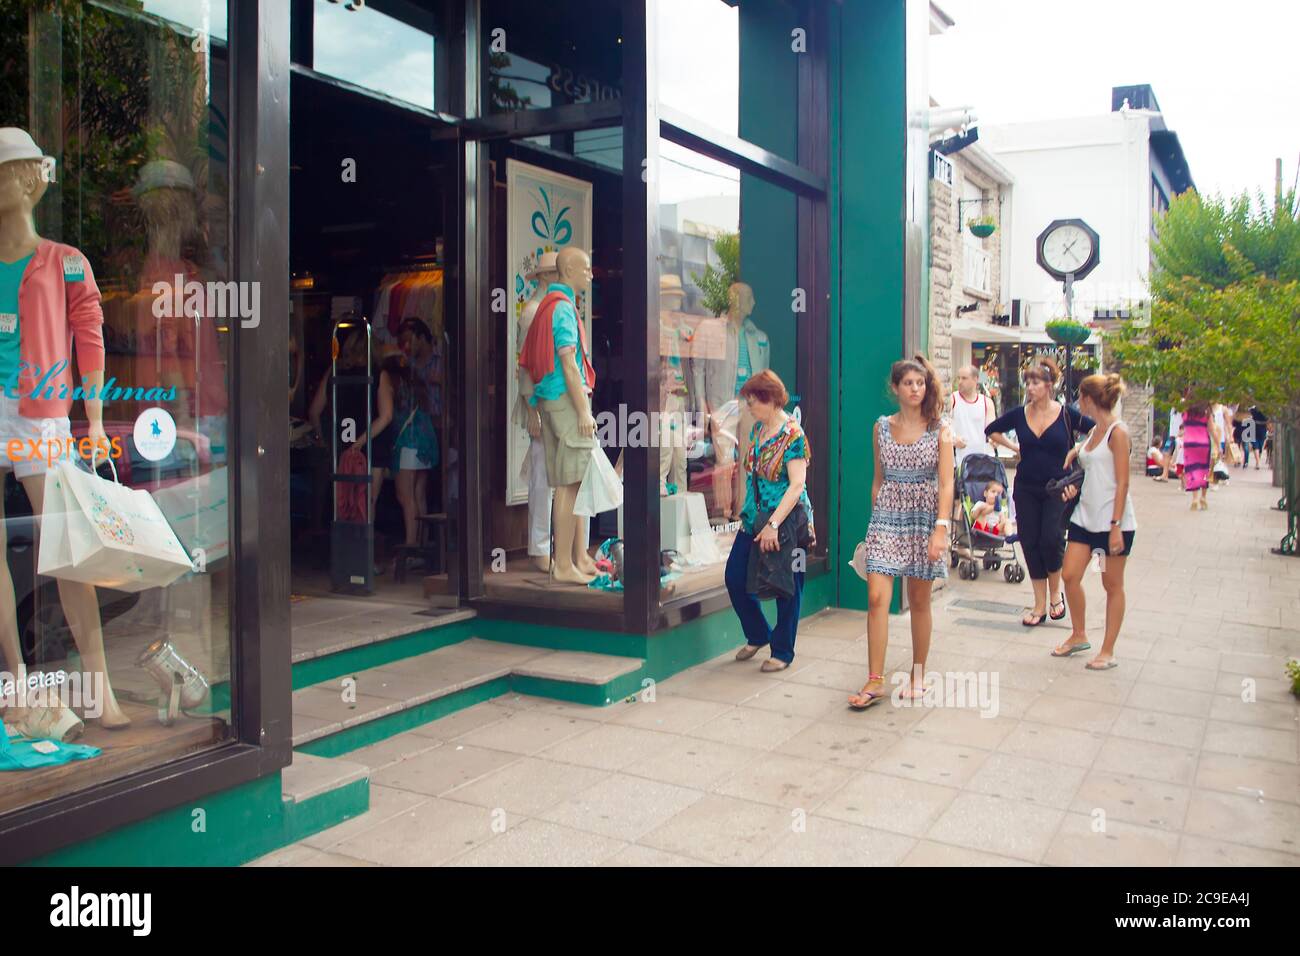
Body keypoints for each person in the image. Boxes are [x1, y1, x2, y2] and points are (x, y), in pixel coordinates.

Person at [848, 355, 954, 709]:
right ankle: (875, 679)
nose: (915, 389)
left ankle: (918, 672)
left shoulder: (940, 428)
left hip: (924, 519)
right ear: (895, 388)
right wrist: (874, 523)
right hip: (887, 517)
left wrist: (940, 530)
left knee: (920, 600)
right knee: (877, 597)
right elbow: (878, 479)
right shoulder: (880, 427)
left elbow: (947, 483)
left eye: (920, 383)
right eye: (908, 383)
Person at [985, 355, 1095, 627]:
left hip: (1058, 488)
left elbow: (1097, 432)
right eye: (1027, 383)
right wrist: (1014, 449)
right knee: (1030, 542)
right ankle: (1038, 605)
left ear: (1049, 385)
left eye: (1035, 383)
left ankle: (1056, 596)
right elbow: (991, 430)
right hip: (1026, 488)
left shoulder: (1067, 414)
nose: (1030, 388)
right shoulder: (1020, 414)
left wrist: (1078, 448)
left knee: (1051, 539)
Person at [727, 370, 814, 672]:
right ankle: (758, 633)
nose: (749, 407)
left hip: (788, 522)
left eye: (753, 401)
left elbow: (796, 485)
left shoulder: (793, 436)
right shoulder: (757, 430)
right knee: (735, 578)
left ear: (772, 400)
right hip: (754, 518)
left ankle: (782, 651)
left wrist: (774, 525)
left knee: (788, 586)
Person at [1054, 374, 1136, 670]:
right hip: (1084, 519)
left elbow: (1123, 483)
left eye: (1080, 397)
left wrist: (1115, 526)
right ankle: (1078, 635)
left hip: (1111, 523)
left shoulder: (1118, 432)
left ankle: (1108, 650)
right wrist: (1074, 463)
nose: (1078, 402)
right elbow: (1089, 465)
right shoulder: (1094, 432)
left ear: (1089, 399)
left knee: (1111, 584)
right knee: (1070, 575)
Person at [387, 345, 439, 559]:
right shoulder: (416, 382)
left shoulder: (393, 383)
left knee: (405, 497)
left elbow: (391, 416)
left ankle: (410, 548)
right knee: (419, 496)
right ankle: (422, 545)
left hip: (406, 444)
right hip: (425, 444)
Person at [949, 364, 995, 465]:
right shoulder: (952, 399)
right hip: (957, 462)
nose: (960, 382)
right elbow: (943, 425)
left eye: (964, 378)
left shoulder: (987, 402)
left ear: (975, 379)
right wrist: (953, 438)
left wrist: (994, 440)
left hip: (980, 461)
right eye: (959, 378)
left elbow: (992, 429)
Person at [1182, 402, 1214, 510]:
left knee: (1192, 470)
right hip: (1203, 444)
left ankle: (1195, 498)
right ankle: (1203, 497)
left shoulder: (1185, 411)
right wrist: (1219, 445)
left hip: (1189, 443)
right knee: (1205, 470)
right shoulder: (1206, 412)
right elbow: (1212, 430)